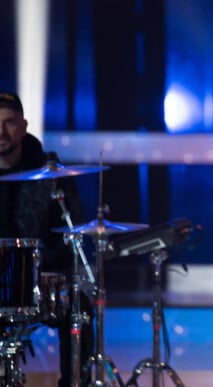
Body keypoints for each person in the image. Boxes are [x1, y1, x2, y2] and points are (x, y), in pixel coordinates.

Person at [0, 91, 94, 386]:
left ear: (24, 126)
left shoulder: (51, 174)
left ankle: (75, 382)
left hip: (38, 281)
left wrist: (43, 269)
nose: (1, 131)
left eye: (9, 122)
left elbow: (72, 232)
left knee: (80, 308)